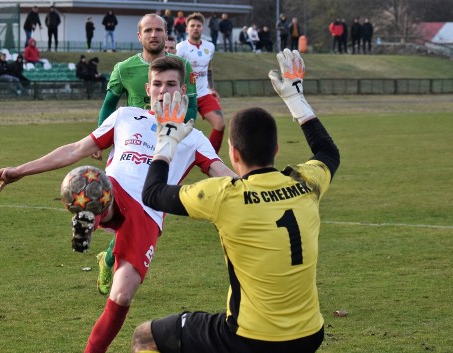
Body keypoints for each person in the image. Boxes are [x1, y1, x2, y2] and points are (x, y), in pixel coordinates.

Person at [0, 55, 236, 353]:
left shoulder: (194, 138)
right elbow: (77, 149)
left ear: (183, 91)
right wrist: (20, 170)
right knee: (89, 180)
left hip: (148, 214)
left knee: (121, 296)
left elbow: (224, 175)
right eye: (157, 84)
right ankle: (94, 214)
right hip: (113, 189)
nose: (163, 91)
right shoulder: (126, 116)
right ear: (148, 88)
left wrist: (267, 187)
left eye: (171, 84)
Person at [132, 48, 339, 353]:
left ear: (234, 154)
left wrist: (166, 141)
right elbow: (328, 153)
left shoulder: (224, 195)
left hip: (249, 337)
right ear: (277, 148)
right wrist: (297, 102)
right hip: (310, 333)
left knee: (144, 337)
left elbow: (152, 194)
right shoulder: (306, 182)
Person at [93, 15, 199, 295]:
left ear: (166, 34)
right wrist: (100, 138)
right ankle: (111, 261)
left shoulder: (183, 66)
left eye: (159, 30)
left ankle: (108, 257)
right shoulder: (124, 68)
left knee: (144, 211)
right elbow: (109, 106)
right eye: (148, 30)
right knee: (133, 210)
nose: (154, 35)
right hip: (133, 145)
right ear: (139, 36)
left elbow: (192, 108)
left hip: (166, 146)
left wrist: (180, 133)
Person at [176, 12, 226, 153]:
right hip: (186, 96)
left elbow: (209, 68)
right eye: (192, 25)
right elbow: (175, 72)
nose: (195, 28)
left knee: (220, 124)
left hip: (204, 93)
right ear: (187, 29)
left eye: (198, 25)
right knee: (180, 132)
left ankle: (210, 157)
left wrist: (211, 88)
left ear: (203, 29)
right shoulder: (181, 48)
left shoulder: (209, 47)